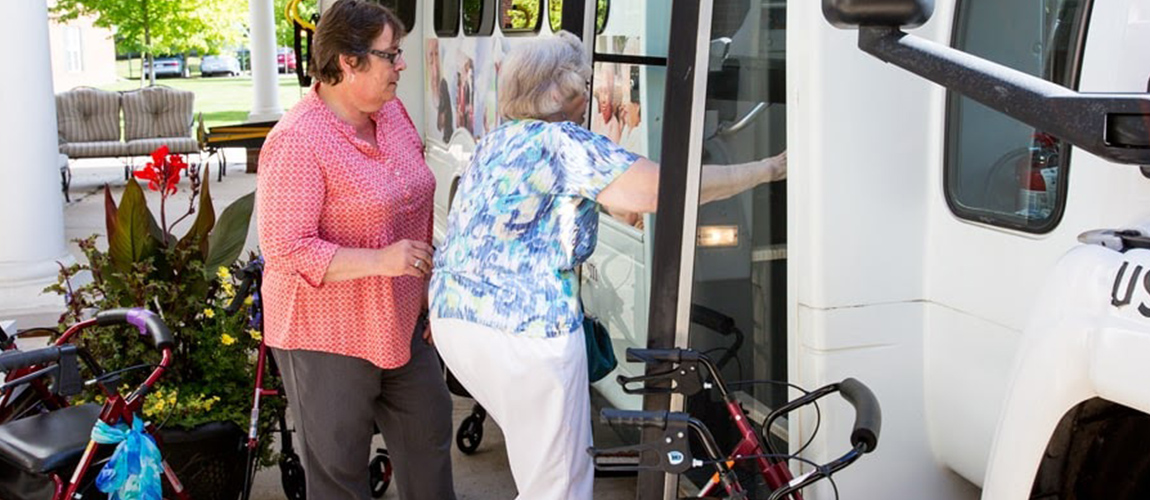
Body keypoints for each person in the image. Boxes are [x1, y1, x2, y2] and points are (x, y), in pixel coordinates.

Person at [429, 31, 786, 500]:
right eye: (584, 87)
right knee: (558, 483)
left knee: (539, 462)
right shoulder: (562, 142)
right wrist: (770, 169)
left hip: (459, 323)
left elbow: (559, 206)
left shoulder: (500, 140)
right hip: (524, 333)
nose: (590, 99)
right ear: (563, 93)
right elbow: (668, 188)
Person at [256, 1, 456, 499]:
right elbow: (286, 247)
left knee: (429, 443)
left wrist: (429, 291)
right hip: (326, 337)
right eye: (390, 54)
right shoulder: (298, 140)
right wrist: (381, 260)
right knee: (341, 477)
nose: (400, 65)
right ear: (348, 61)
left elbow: (414, 203)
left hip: (402, 324)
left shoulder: (392, 113)